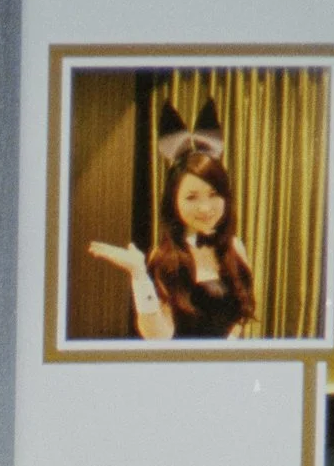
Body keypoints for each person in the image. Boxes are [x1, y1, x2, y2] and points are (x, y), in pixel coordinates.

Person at [90, 133, 258, 344]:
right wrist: (139, 276)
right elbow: (157, 337)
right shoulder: (165, 257)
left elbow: (242, 311)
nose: (205, 208)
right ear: (173, 202)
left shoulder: (235, 247)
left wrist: (227, 349)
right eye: (191, 197)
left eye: (214, 194)